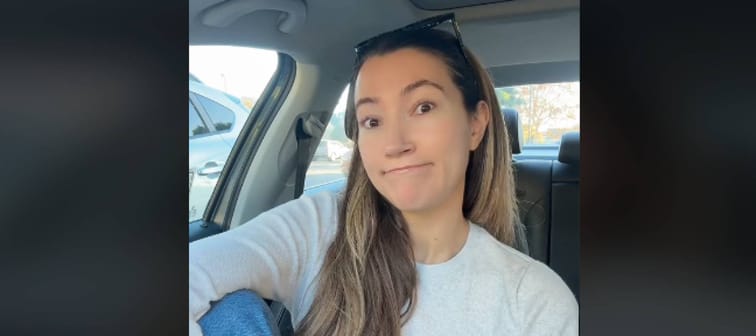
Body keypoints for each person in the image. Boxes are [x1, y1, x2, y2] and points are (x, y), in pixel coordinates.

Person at [189, 13, 578, 336]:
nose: (395, 143)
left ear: (476, 124)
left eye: (423, 107)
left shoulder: (535, 300)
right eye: (372, 120)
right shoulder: (321, 227)